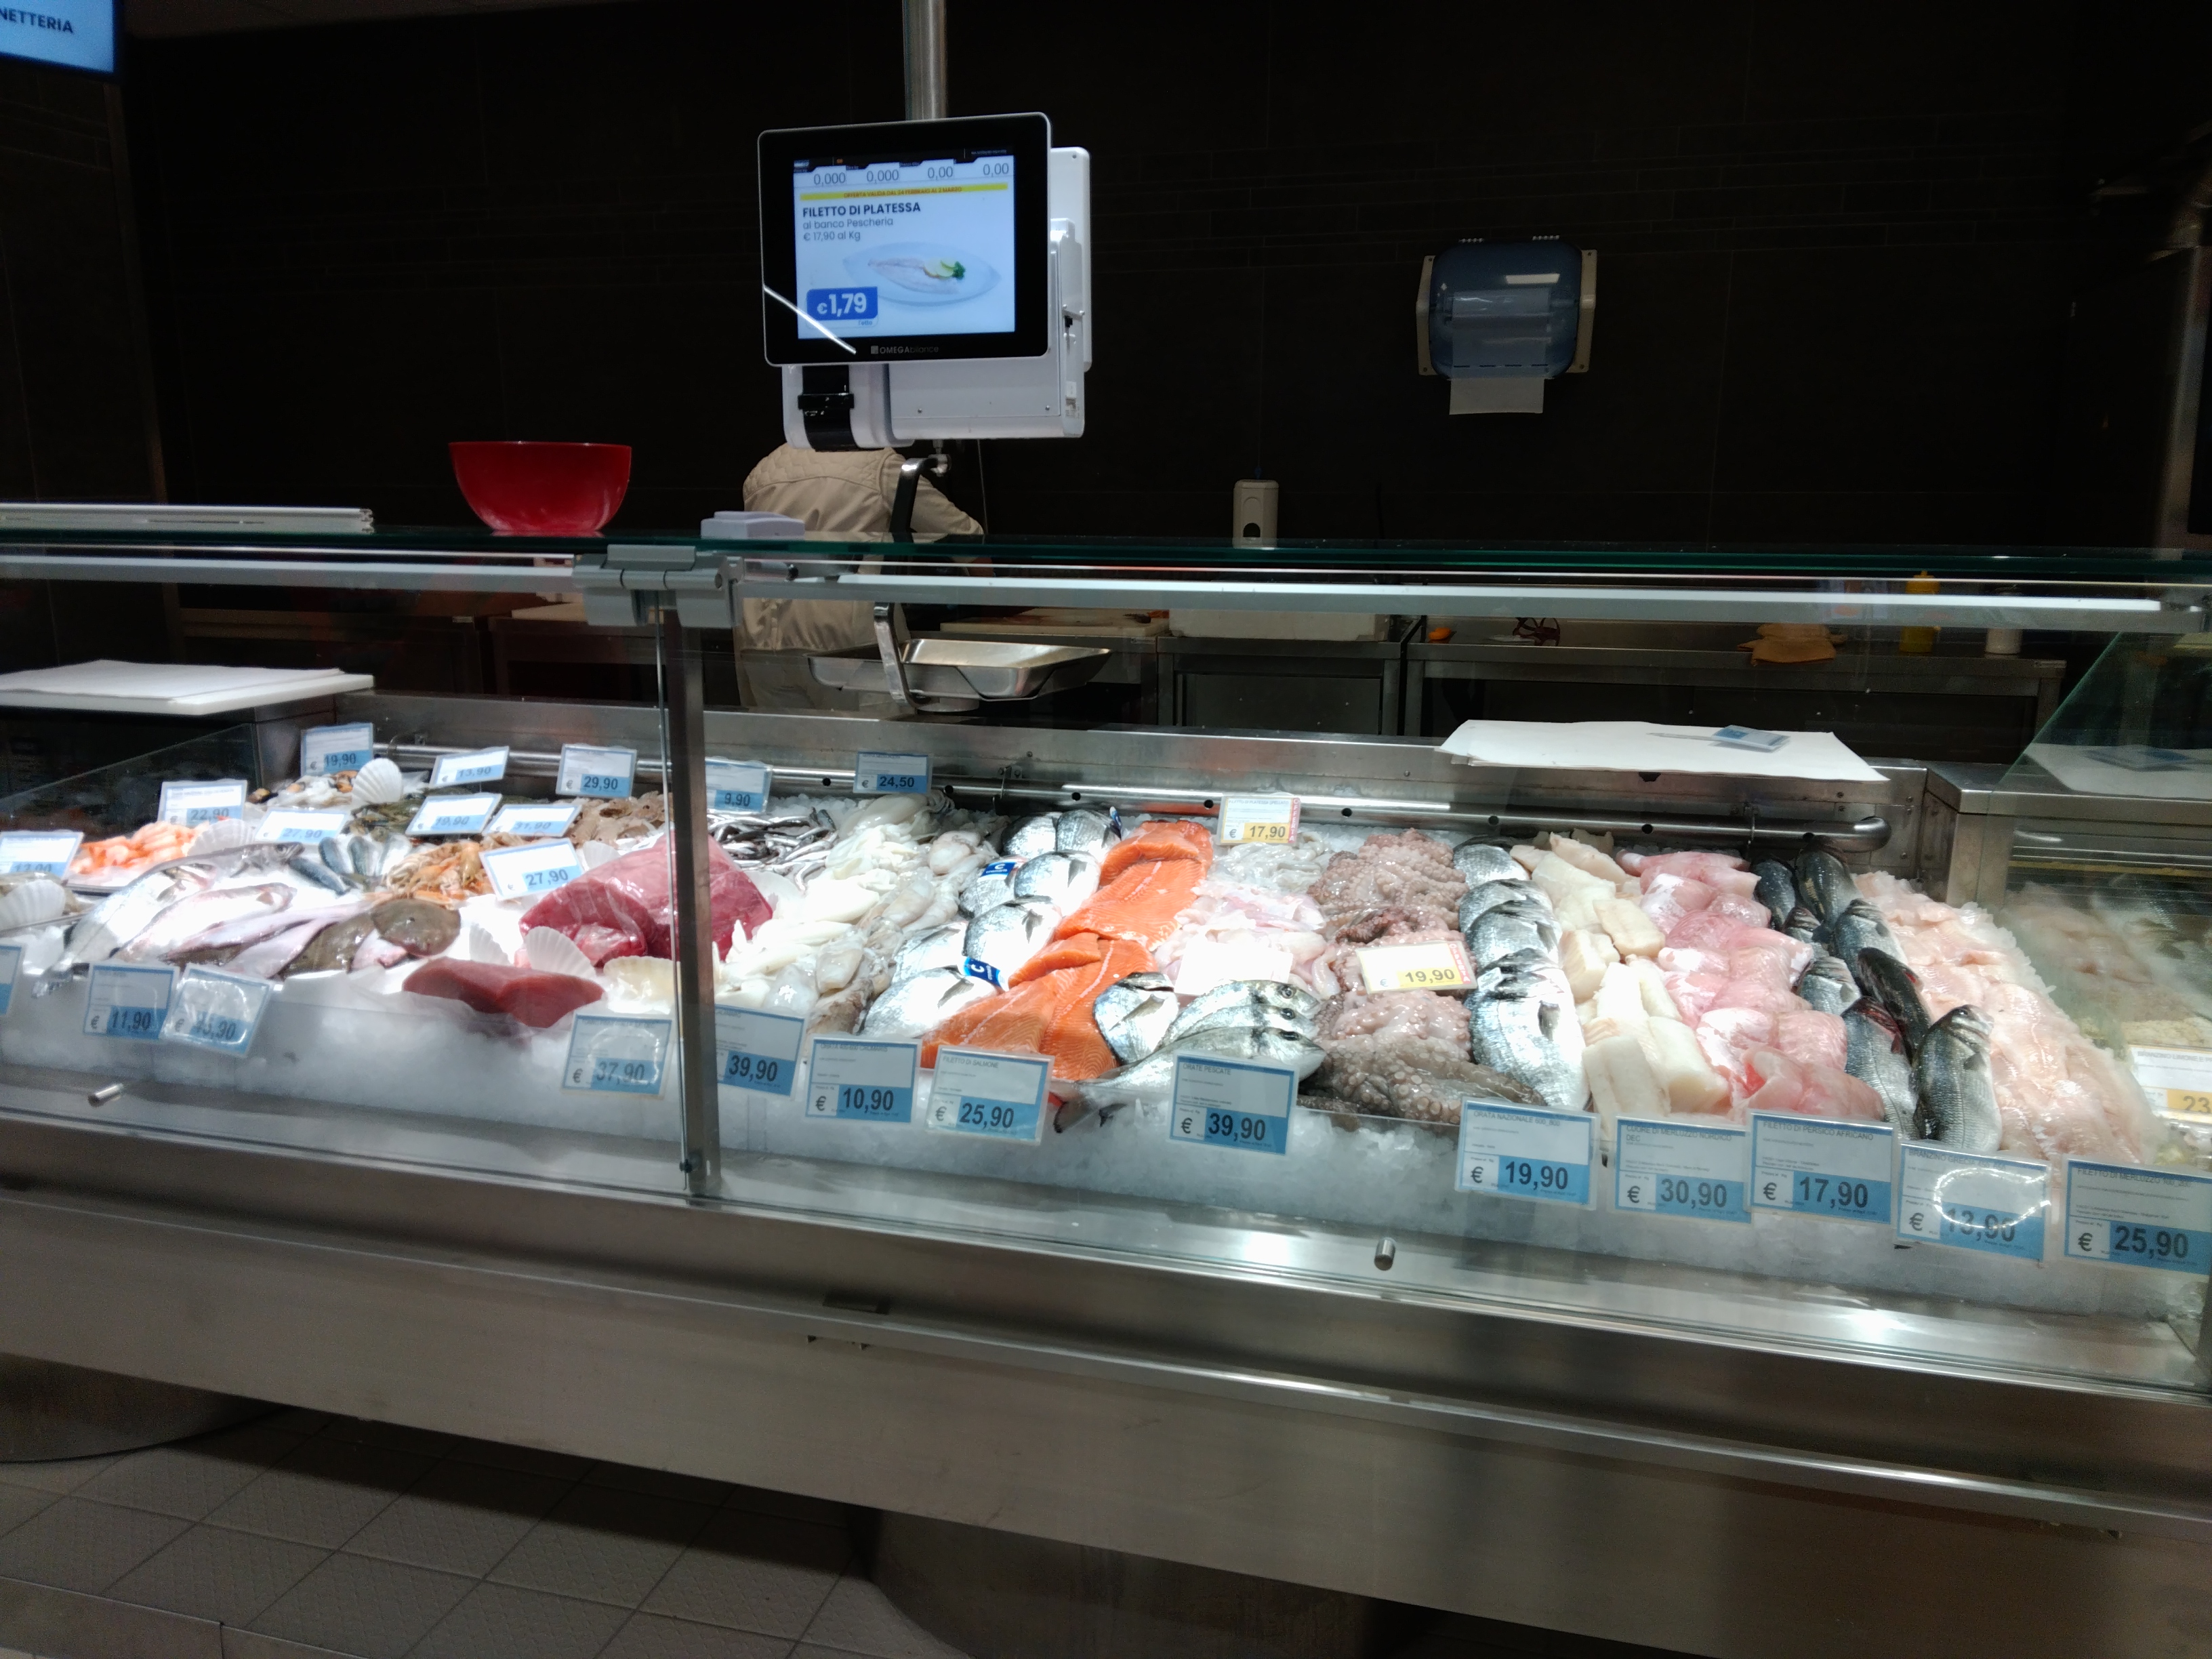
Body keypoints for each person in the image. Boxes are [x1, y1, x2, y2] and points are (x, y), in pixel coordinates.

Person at [734, 445, 982, 711]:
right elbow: (964, 539)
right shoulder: (880, 466)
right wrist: (995, 597)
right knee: (871, 736)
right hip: (844, 643)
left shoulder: (764, 470)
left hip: (761, 640)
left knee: (787, 739)